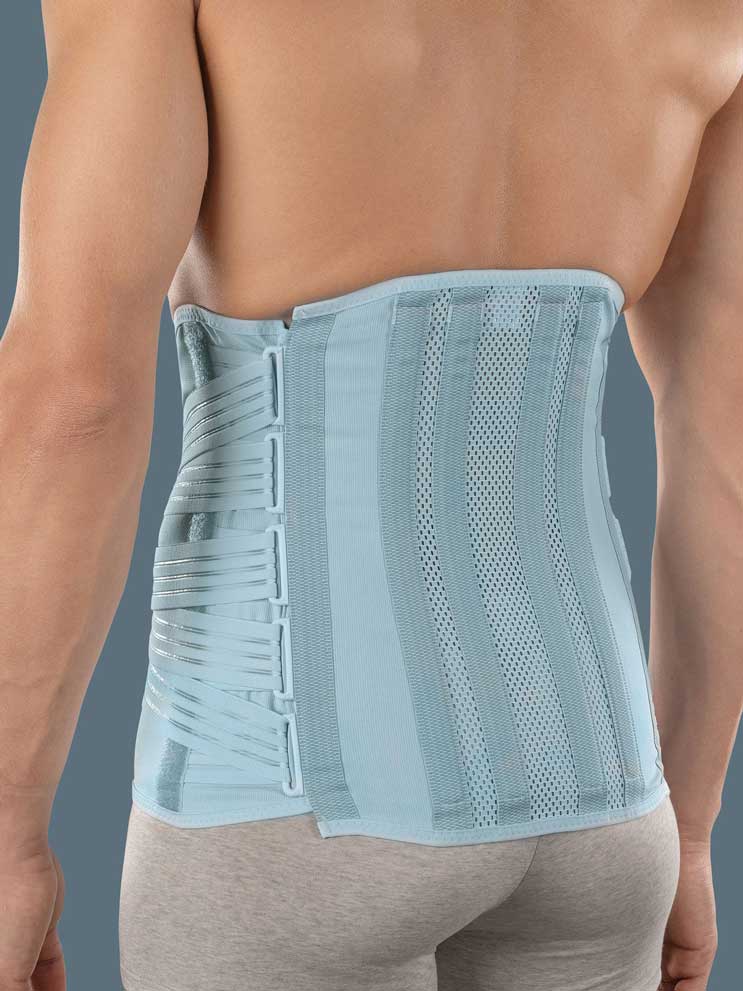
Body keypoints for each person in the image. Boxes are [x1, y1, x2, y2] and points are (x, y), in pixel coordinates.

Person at [0, 1, 741, 989]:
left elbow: (74, 394)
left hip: (283, 818)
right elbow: (724, 444)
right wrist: (688, 823)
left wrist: (8, 828)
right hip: (602, 812)